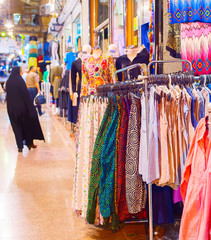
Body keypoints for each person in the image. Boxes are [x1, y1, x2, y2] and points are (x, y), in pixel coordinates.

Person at [6, 66, 45, 152]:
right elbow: (26, 95)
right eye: (21, 71)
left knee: (16, 127)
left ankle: (20, 146)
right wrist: (30, 107)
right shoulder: (20, 81)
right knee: (26, 125)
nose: (21, 73)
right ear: (18, 72)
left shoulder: (8, 82)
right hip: (22, 109)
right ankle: (29, 143)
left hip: (11, 109)